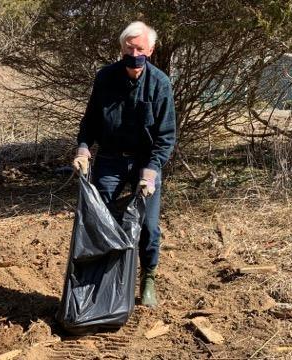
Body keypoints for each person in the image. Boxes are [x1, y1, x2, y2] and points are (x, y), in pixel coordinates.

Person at [72, 21, 176, 308]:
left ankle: (148, 278)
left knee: (149, 228)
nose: (134, 53)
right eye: (129, 48)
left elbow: (166, 136)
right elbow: (90, 120)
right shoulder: (105, 78)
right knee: (100, 219)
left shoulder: (160, 84)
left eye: (139, 48)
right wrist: (83, 149)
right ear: (121, 49)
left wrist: (151, 173)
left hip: (146, 162)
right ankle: (102, 281)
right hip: (110, 159)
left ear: (150, 50)